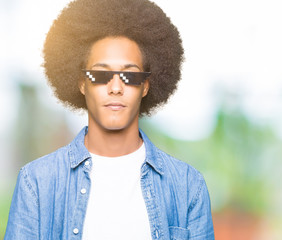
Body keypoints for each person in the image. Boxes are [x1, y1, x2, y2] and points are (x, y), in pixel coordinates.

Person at [4, 0, 214, 239]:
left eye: (130, 75)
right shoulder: (37, 183)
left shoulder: (187, 186)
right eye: (101, 74)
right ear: (82, 83)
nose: (116, 87)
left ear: (145, 86)